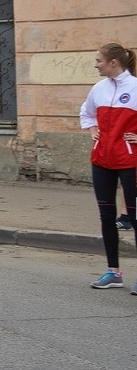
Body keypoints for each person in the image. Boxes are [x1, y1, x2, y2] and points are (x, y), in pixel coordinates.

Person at [79, 43, 137, 290]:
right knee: (106, 216)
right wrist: (92, 129)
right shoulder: (99, 89)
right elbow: (86, 112)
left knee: (135, 217)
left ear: (113, 62)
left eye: (98, 60)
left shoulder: (135, 87)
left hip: (130, 161)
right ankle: (113, 272)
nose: (96, 65)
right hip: (102, 159)